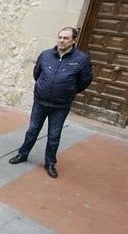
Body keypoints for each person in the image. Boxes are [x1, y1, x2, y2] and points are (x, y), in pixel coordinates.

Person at [8, 27, 93, 178]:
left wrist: (69, 90)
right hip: (40, 102)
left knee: (54, 135)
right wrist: (42, 87)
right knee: (32, 130)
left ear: (74, 40)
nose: (61, 40)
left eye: (66, 38)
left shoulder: (82, 59)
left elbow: (85, 81)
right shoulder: (46, 55)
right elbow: (37, 73)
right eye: (60, 37)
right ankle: (23, 154)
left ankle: (50, 163)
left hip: (60, 106)